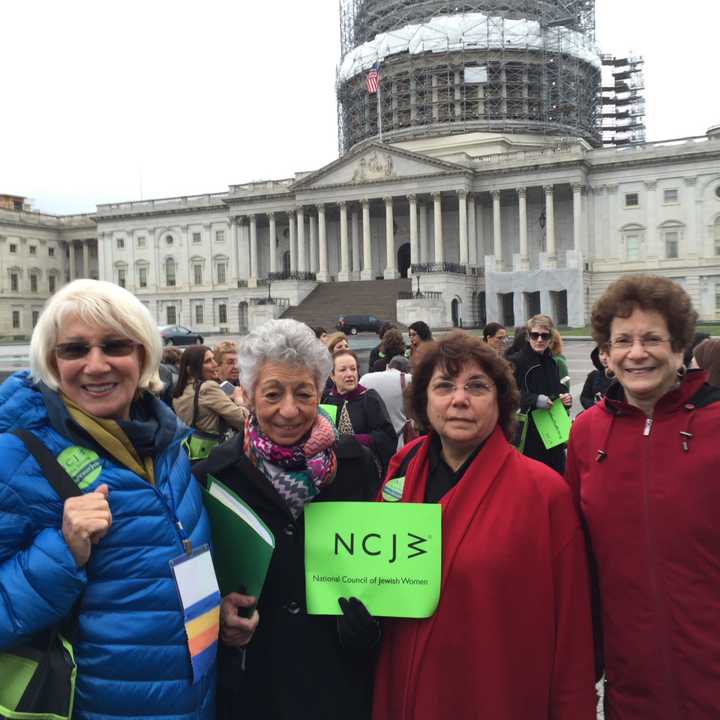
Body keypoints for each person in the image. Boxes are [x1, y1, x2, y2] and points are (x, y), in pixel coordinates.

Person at [0, 279, 258, 720]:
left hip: (194, 699)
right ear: (51, 361)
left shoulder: (166, 442)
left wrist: (213, 613)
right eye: (74, 350)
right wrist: (61, 553)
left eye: (115, 346)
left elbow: (167, 564)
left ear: (142, 355)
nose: (96, 366)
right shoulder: (16, 458)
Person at [373, 331, 596, 720]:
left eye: (477, 386)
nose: (460, 399)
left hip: (496, 695)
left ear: (500, 400)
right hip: (411, 692)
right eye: (444, 386)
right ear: (425, 400)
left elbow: (572, 635)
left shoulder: (544, 494)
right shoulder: (402, 471)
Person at [192, 319, 381, 720]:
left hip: (338, 680)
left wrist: (369, 623)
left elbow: (379, 567)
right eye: (273, 394)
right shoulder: (214, 476)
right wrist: (217, 618)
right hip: (255, 685)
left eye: (303, 393)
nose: (289, 411)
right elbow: (195, 582)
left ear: (321, 392)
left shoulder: (356, 465)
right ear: (247, 395)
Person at [566, 275, 720, 720]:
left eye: (652, 338)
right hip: (632, 684)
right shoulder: (587, 433)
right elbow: (578, 555)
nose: (637, 352)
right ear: (607, 355)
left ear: (679, 349)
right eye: (623, 341)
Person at [507, 314, 572, 473]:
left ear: (551, 338)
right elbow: (507, 394)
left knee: (559, 475)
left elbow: (556, 389)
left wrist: (564, 398)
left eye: (545, 335)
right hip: (528, 432)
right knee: (534, 477)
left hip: (551, 429)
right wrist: (535, 399)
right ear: (529, 336)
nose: (539, 339)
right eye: (535, 335)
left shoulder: (551, 361)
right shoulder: (516, 361)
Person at [322, 349, 397, 475]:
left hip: (364, 472)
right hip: (335, 474)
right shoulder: (328, 400)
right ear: (332, 375)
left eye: (353, 369)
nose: (350, 374)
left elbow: (387, 437)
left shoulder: (369, 398)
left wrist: (355, 440)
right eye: (343, 370)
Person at [173, 345, 247, 437]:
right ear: (191, 369)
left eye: (213, 359)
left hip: (192, 445)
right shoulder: (207, 387)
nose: (215, 364)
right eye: (208, 361)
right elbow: (243, 419)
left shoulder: (181, 389)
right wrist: (239, 398)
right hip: (214, 446)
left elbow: (203, 410)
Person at [360, 354, 412, 449]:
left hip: (372, 443)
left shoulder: (365, 378)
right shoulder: (408, 379)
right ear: (406, 371)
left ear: (388, 366)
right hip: (399, 443)